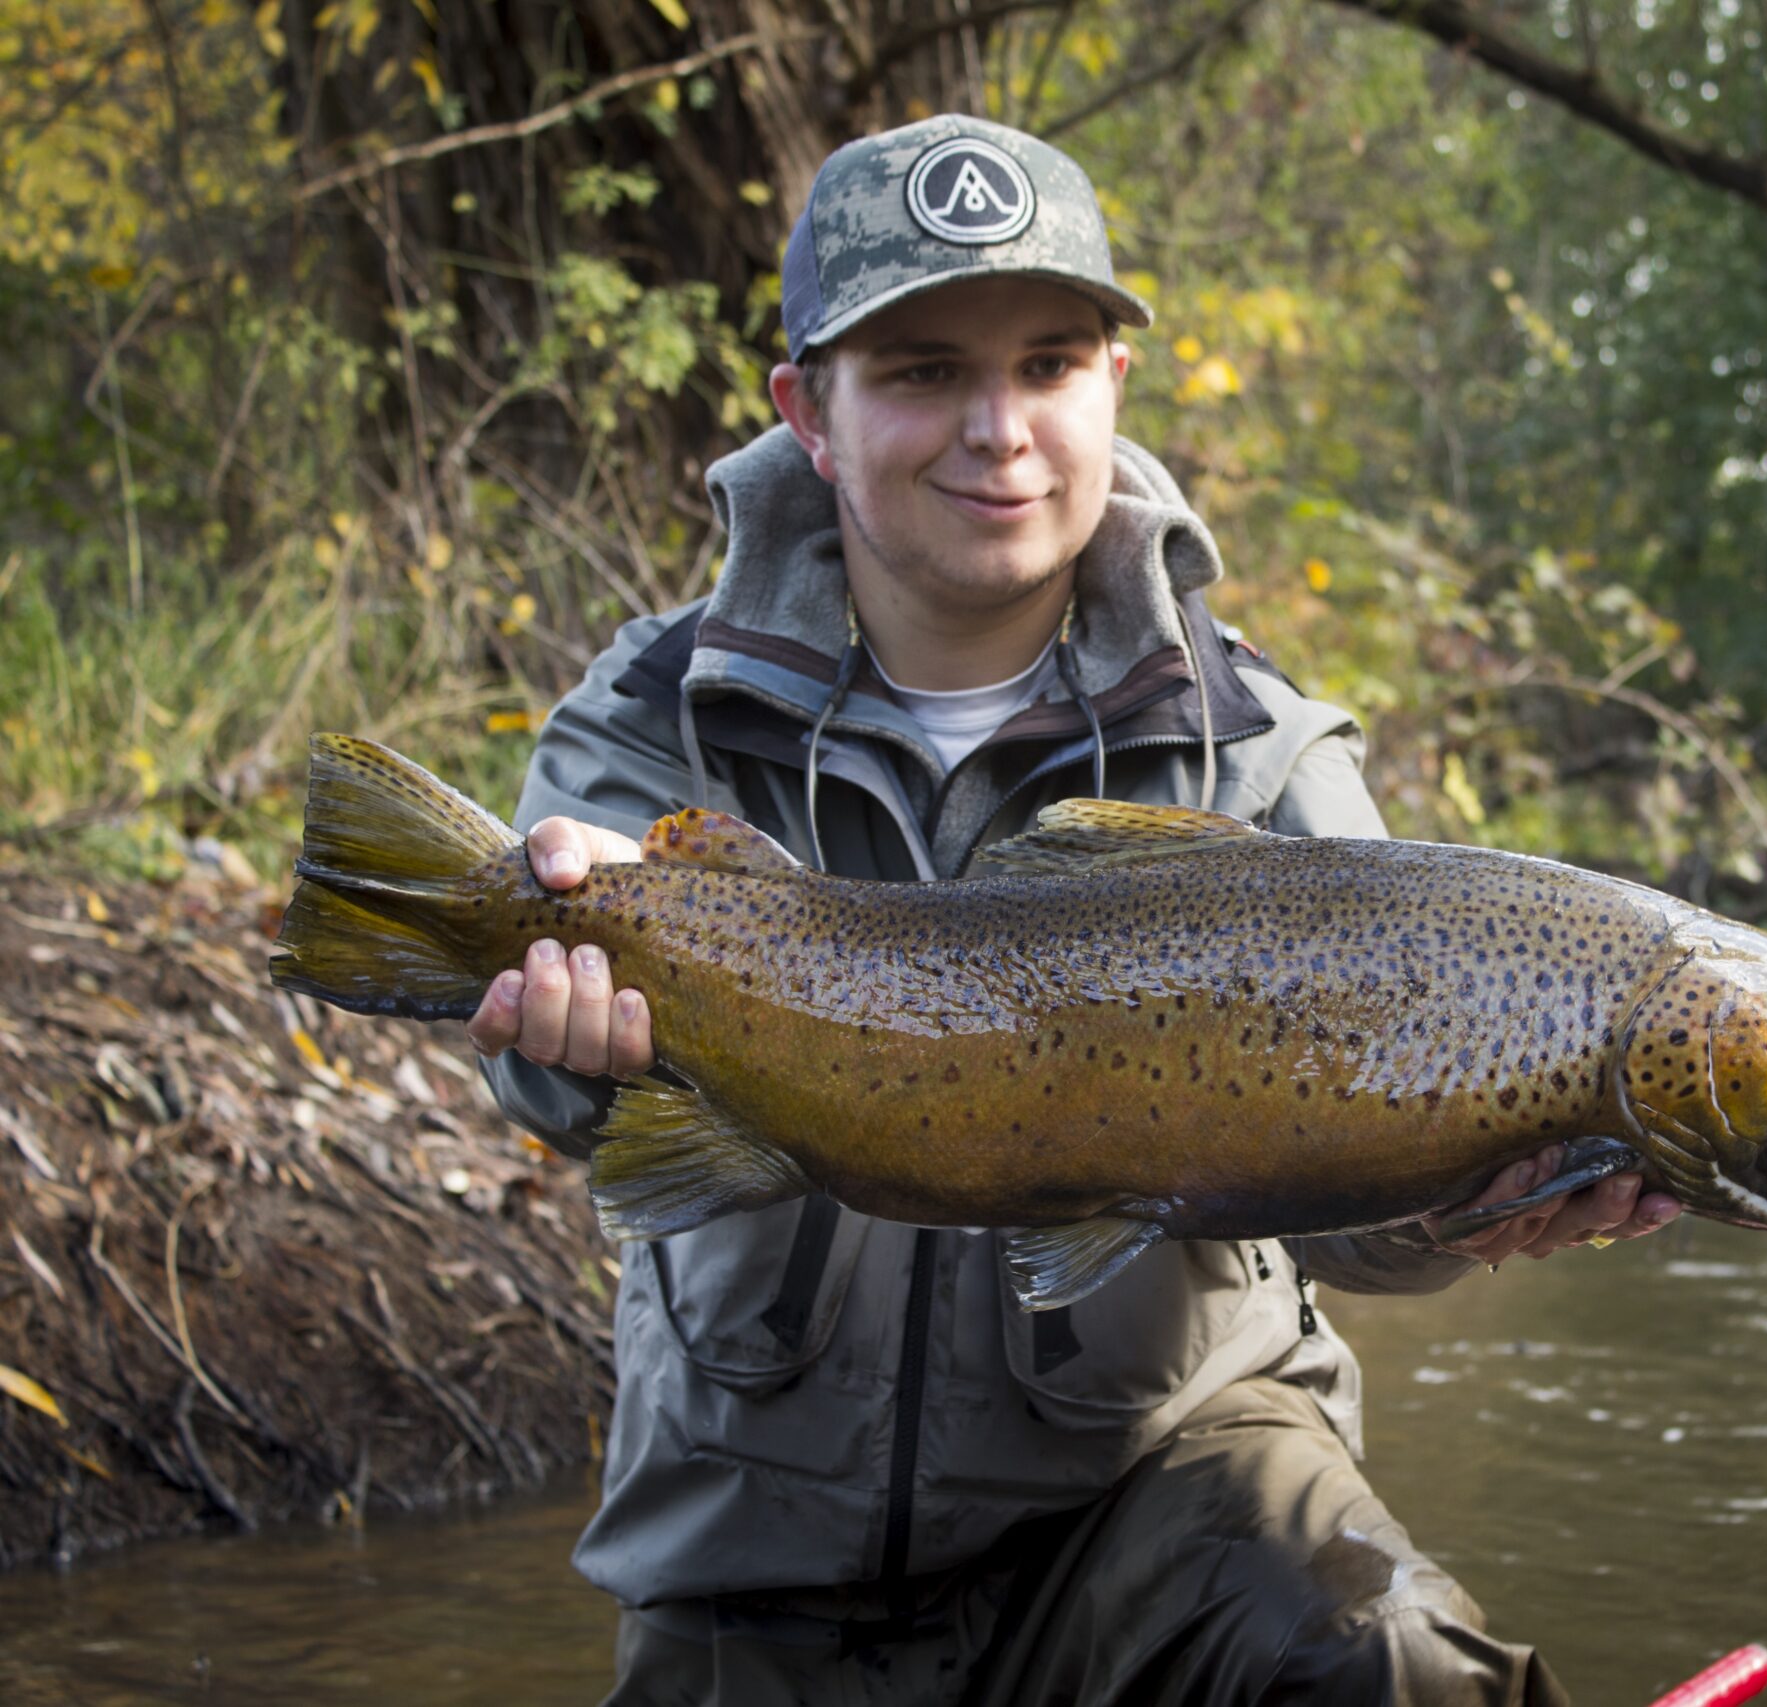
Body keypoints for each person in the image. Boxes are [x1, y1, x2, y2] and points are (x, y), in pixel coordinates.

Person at [467, 114, 1680, 1706]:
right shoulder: (651, 715)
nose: (1000, 431)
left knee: (1398, 1669)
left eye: (1049, 364)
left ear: (1115, 381)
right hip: (754, 1551)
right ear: (809, 413)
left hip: (1171, 1512)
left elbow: (1378, 1227)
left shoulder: (1258, 751)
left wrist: (1469, 1206)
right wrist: (561, 1052)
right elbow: (556, 1090)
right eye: (920, 373)